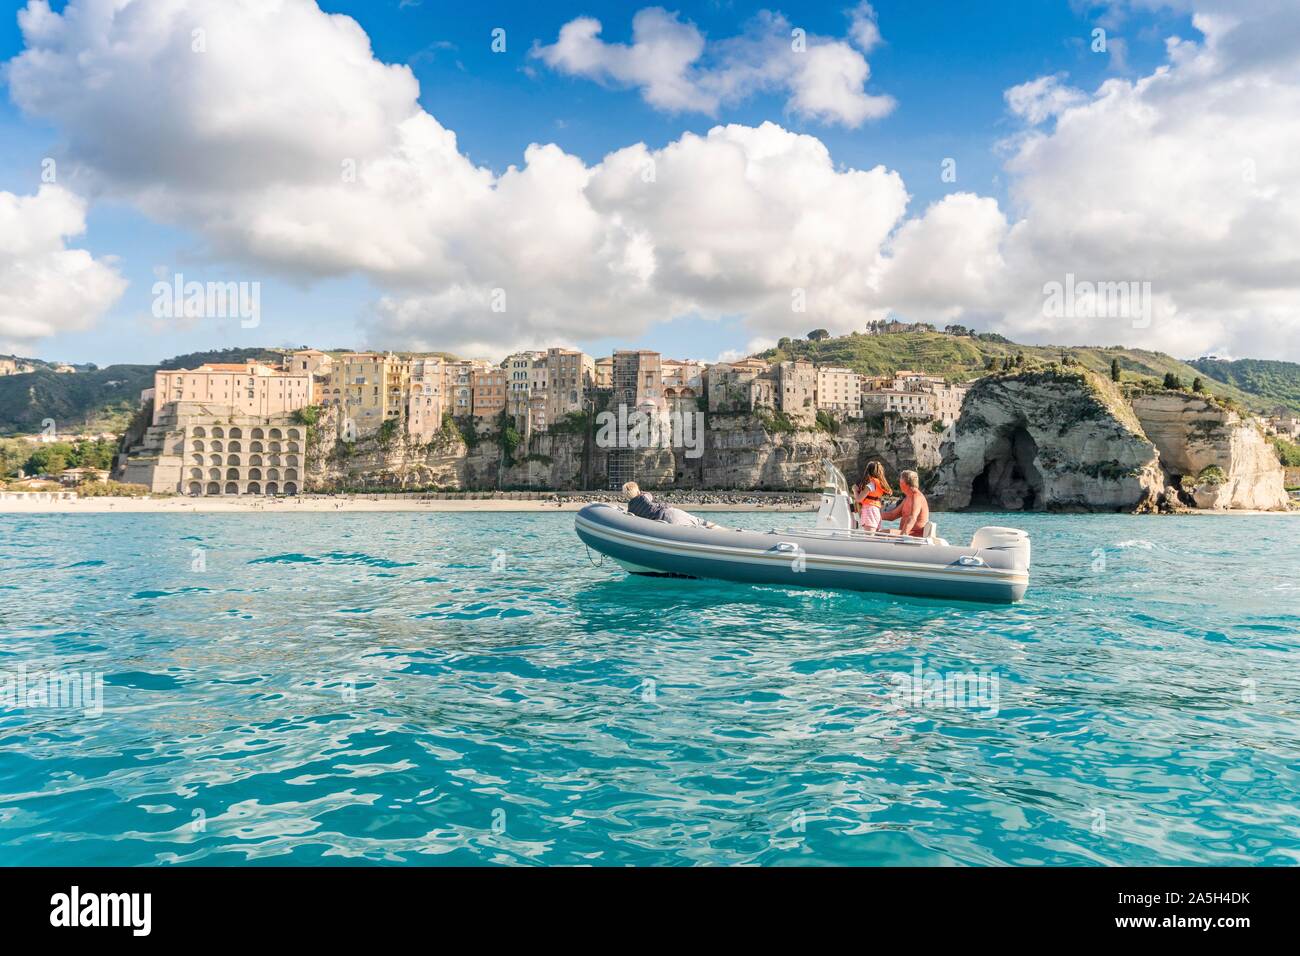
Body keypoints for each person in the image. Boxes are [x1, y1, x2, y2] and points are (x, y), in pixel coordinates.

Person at [623, 481, 710, 527]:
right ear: (638, 491)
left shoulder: (631, 509)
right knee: (700, 522)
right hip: (669, 513)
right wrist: (640, 493)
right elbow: (649, 495)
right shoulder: (643, 497)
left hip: (663, 521)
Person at [880, 469, 930, 537]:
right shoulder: (908, 498)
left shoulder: (917, 497)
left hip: (914, 535)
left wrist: (903, 536)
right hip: (905, 534)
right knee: (881, 532)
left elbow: (912, 517)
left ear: (905, 483)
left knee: (884, 533)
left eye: (900, 481)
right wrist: (875, 515)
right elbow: (892, 515)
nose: (899, 484)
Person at [851, 461, 891, 533]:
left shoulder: (871, 485)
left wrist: (854, 490)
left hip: (869, 511)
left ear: (868, 471)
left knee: (869, 536)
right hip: (876, 511)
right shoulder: (880, 484)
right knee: (874, 535)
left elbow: (859, 499)